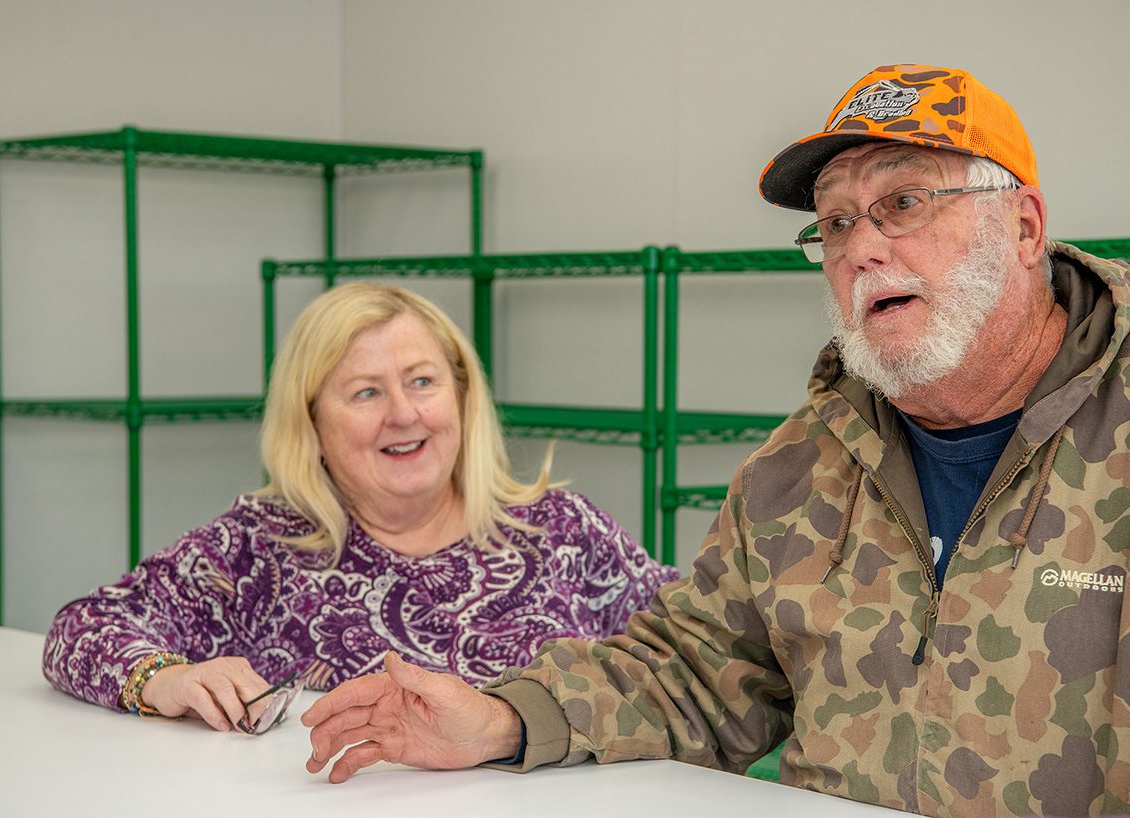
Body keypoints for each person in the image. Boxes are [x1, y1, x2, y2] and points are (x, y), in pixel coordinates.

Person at [301, 65, 1130, 817]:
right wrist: (505, 720)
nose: (862, 248)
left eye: (903, 202)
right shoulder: (799, 467)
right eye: (835, 223)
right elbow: (697, 671)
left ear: (1024, 226)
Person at [42, 282, 678, 732]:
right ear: (312, 422)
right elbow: (83, 627)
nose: (403, 414)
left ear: (461, 395)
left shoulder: (560, 529)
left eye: (423, 381)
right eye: (365, 392)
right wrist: (162, 680)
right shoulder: (259, 547)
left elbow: (695, 648)